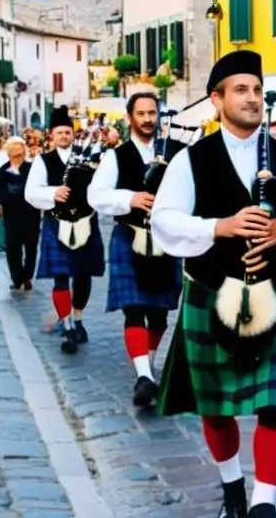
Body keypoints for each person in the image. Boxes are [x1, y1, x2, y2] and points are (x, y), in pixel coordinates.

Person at [152, 50, 276, 518]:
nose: (251, 99)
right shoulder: (190, 160)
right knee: (215, 407)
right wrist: (220, 226)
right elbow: (165, 221)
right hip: (210, 290)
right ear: (217, 100)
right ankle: (232, 484)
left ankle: (263, 504)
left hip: (271, 290)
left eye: (256, 90)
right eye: (240, 90)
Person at [88, 92, 185, 406]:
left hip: (167, 240)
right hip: (129, 237)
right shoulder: (116, 156)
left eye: (152, 113)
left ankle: (149, 368)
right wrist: (129, 199)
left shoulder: (176, 153)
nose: (147, 119)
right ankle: (143, 375)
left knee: (159, 313)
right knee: (134, 309)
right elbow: (96, 195)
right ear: (129, 117)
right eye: (140, 113)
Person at [24, 105, 106, 355]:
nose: (64, 136)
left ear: (72, 134)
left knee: (83, 275)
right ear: (51, 135)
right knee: (61, 276)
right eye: (59, 132)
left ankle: (78, 318)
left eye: (67, 132)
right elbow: (31, 192)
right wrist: (53, 192)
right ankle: (66, 322)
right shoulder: (43, 161)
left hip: (85, 220)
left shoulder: (87, 156)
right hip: (56, 221)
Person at [0, 136, 41, 292]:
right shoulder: (3, 170)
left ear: (23, 150)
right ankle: (16, 278)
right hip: (10, 215)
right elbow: (0, 191)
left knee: (31, 247)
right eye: (12, 149)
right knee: (13, 248)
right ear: (7, 152)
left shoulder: (32, 168)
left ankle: (27, 276)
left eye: (18, 148)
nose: (15, 152)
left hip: (30, 213)